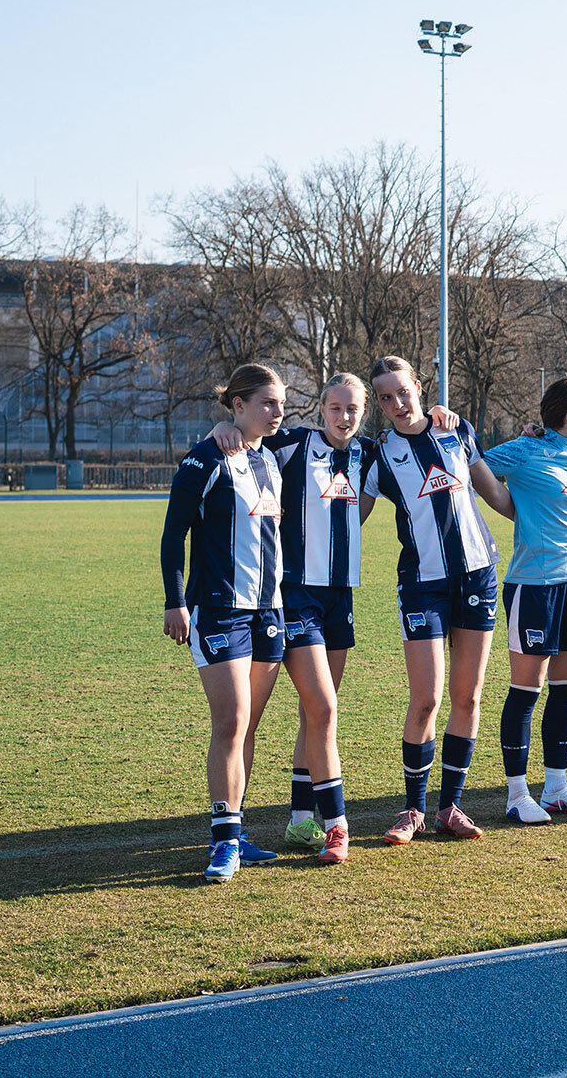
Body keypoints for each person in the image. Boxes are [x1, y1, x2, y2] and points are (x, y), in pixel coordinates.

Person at [208, 372, 391, 863]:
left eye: (353, 409)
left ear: (364, 411)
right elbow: (242, 435)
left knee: (318, 713)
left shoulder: (370, 452)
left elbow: (419, 452)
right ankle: (319, 824)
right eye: (335, 408)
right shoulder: (292, 443)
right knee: (319, 708)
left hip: (340, 598)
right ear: (321, 409)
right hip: (295, 596)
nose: (344, 417)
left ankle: (299, 820)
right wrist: (219, 430)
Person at [363, 356, 514, 843]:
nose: (396, 403)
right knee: (427, 698)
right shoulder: (378, 454)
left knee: (468, 696)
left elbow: (492, 491)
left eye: (402, 391)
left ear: (419, 386)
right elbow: (350, 516)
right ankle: (413, 809)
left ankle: (451, 806)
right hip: (422, 584)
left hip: (477, 577)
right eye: (385, 398)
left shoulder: (457, 429)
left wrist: (545, 521)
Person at [161, 364, 294, 882]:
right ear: (236, 405)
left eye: (282, 403)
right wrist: (175, 601)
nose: (277, 412)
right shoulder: (205, 458)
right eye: (266, 402)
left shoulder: (270, 458)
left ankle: (237, 831)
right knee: (232, 721)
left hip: (269, 610)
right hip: (218, 608)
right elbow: (174, 535)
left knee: (248, 726)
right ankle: (223, 842)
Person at [481, 377, 567, 820]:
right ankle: (517, 794)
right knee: (527, 689)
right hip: (533, 584)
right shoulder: (525, 451)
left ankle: (556, 788)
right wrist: (511, 508)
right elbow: (473, 465)